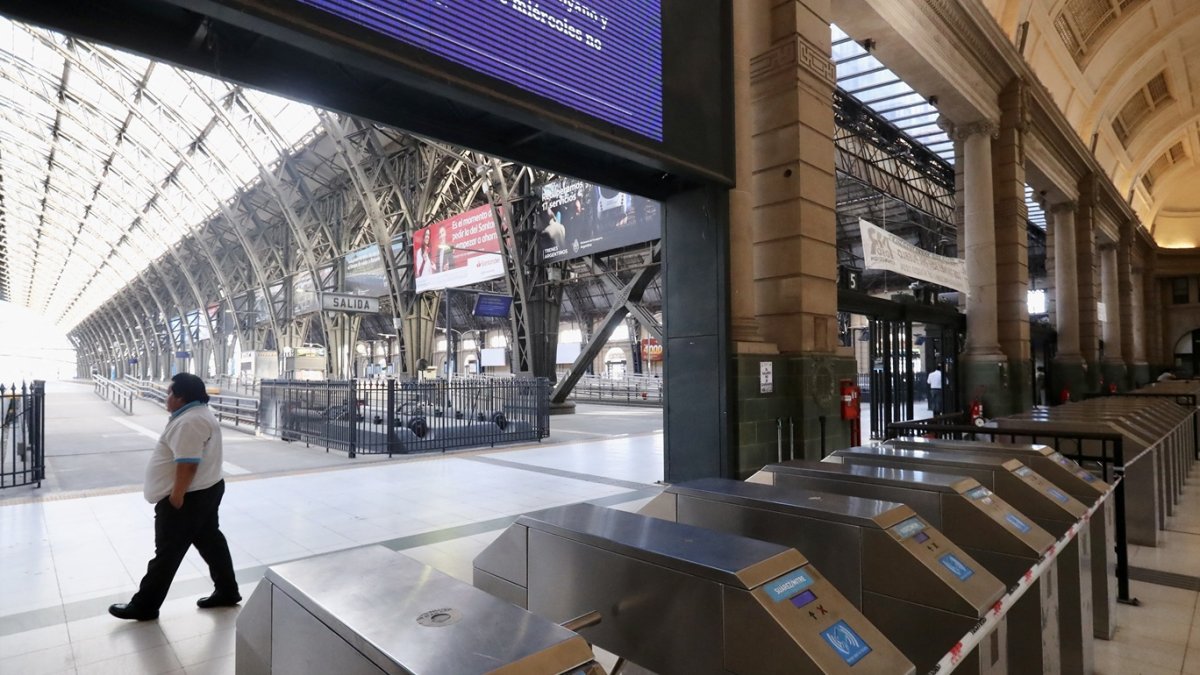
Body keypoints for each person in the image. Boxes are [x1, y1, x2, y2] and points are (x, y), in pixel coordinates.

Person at [109, 373, 240, 621]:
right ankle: (227, 590)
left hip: (189, 497)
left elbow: (188, 464)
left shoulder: (190, 421)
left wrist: (176, 498)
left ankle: (145, 605)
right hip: (205, 490)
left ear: (181, 397)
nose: (166, 396)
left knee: (168, 552)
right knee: (211, 542)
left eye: (170, 392)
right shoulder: (198, 414)